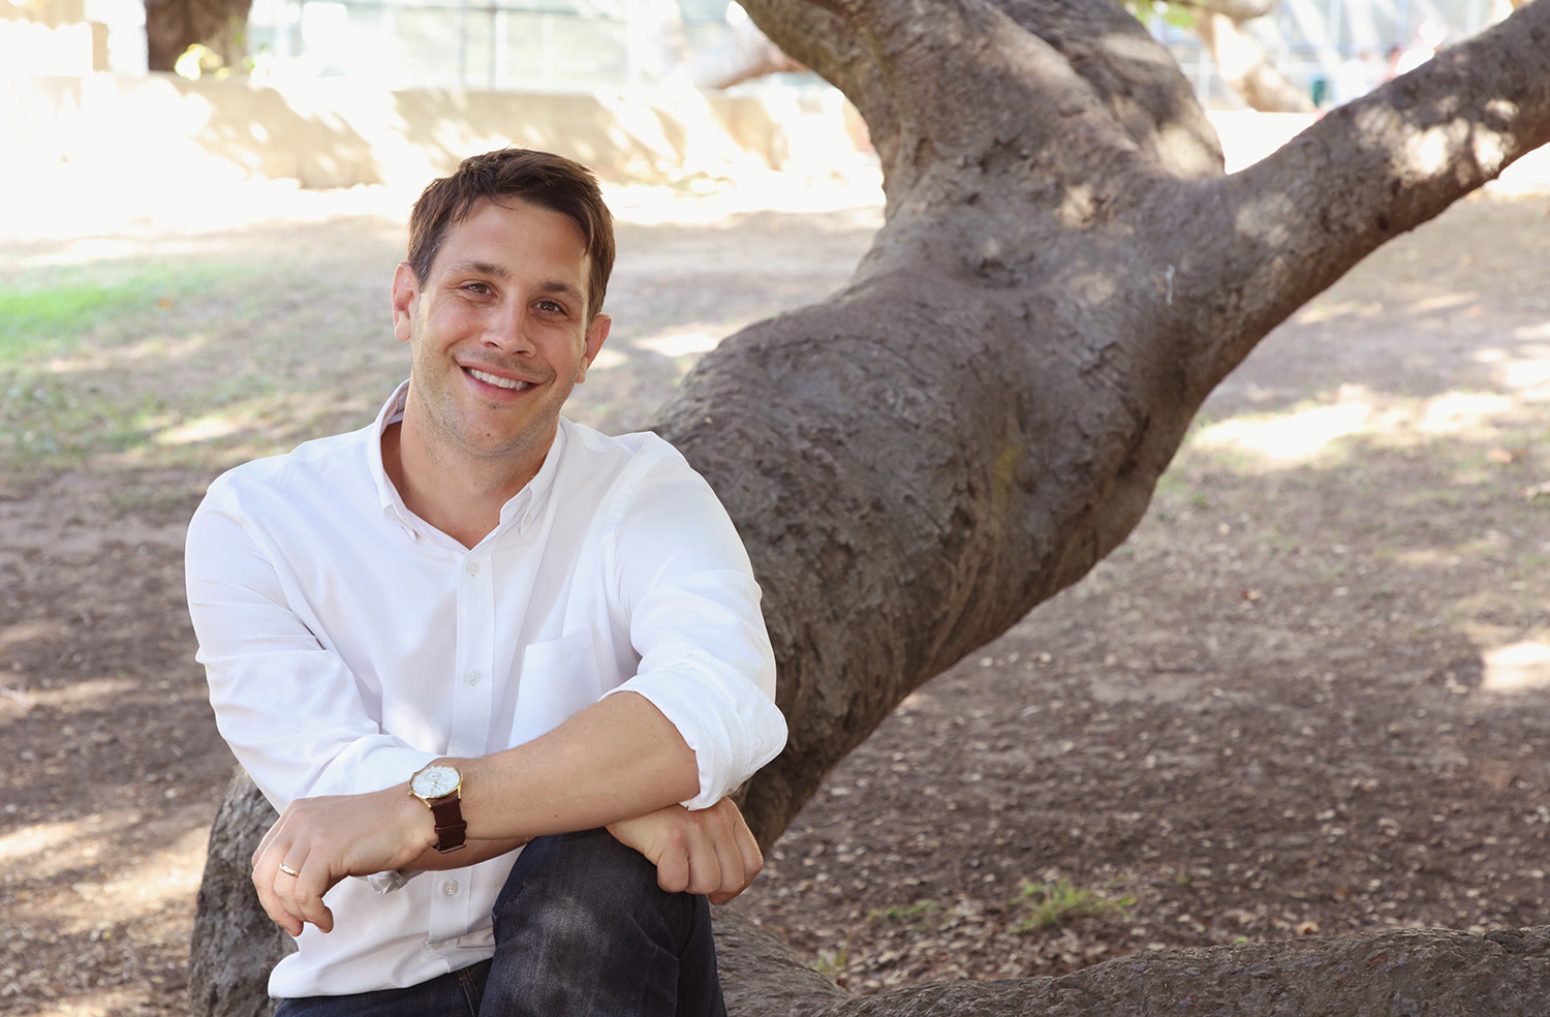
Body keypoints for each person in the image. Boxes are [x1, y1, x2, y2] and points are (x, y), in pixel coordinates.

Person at [184, 147, 789, 1016]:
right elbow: (340, 782)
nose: (508, 332)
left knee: (592, 875)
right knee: (605, 836)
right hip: (366, 984)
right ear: (406, 301)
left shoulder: (646, 494)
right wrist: (631, 799)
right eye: (477, 287)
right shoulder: (258, 522)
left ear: (589, 346)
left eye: (550, 305)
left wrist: (423, 810)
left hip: (597, 961)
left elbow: (716, 700)